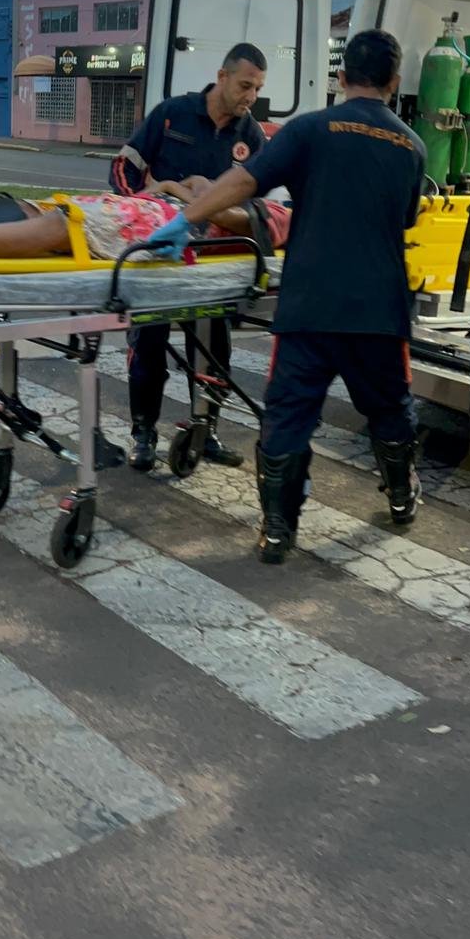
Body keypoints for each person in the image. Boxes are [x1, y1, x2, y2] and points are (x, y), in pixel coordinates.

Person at [142, 29, 427, 562]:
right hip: (378, 311)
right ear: (394, 82)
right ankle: (401, 497)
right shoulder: (412, 145)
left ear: (341, 77)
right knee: (390, 410)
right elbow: (406, 218)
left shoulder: (308, 130)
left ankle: (277, 530)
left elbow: (243, 181)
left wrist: (186, 219)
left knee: (288, 416)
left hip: (308, 307)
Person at [110, 42, 268, 472]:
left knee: (215, 348)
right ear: (222, 77)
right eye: (245, 85)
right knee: (149, 345)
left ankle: (206, 430)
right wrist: (143, 205)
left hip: (212, 260)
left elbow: (256, 204)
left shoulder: (250, 137)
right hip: (160, 253)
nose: (251, 96)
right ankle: (144, 433)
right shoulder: (172, 115)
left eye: (257, 88)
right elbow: (123, 168)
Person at [0, 171, 290, 268]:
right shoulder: (271, 203)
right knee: (44, 212)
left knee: (66, 227)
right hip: (154, 213)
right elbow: (202, 188)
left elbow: (229, 216)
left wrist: (190, 193)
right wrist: (189, 188)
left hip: (166, 230)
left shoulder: (284, 218)